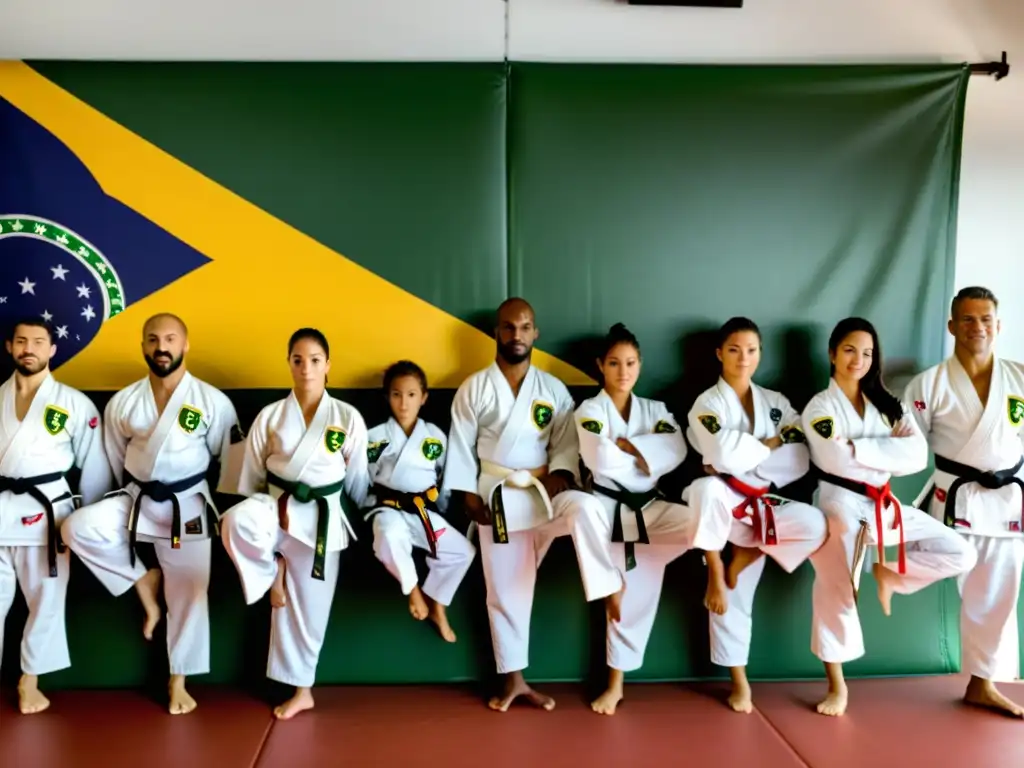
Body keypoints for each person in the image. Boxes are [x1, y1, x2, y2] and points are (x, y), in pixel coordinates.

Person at [62, 313, 243, 715]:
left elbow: (232, 465)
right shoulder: (126, 400)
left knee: (191, 592)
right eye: (153, 339)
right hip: (136, 498)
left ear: (186, 343)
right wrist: (97, 501)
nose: (162, 347)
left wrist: (229, 517)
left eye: (170, 338)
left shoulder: (212, 401)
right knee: (76, 528)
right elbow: (107, 460)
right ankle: (142, 579)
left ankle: (178, 678)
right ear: (143, 345)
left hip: (188, 504)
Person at [803, 316, 976, 717]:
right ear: (832, 353)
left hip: (884, 505)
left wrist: (860, 447)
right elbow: (833, 457)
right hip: (840, 506)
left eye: (866, 353)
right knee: (838, 592)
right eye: (849, 350)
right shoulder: (820, 407)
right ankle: (837, 686)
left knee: (959, 551)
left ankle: (892, 575)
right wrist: (881, 449)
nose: (858, 360)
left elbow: (916, 456)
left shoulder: (887, 404)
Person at [567, 322, 728, 716]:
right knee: (627, 601)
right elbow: (599, 458)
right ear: (600, 366)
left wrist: (627, 445)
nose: (624, 372)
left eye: (631, 363)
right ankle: (615, 685)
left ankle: (715, 567)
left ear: (640, 365)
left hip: (653, 508)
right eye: (615, 363)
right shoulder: (589, 410)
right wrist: (642, 455)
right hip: (609, 511)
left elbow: (675, 450)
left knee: (706, 504)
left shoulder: (655, 410)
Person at [220, 327, 369, 720]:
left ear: (328, 366)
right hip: (274, 505)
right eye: (298, 360)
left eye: (315, 361)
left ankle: (302, 690)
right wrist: (261, 510)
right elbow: (250, 477)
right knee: (234, 521)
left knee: (310, 610)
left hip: (322, 518)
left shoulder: (347, 417)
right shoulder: (271, 416)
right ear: (288, 363)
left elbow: (356, 481)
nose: (306, 369)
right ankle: (271, 572)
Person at [685, 317, 827, 714]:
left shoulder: (777, 402)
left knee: (815, 524)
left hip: (762, 505)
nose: (743, 358)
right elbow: (722, 456)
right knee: (706, 487)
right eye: (734, 349)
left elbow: (799, 459)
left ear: (760, 353)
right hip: (725, 504)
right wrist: (767, 447)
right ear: (719, 354)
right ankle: (716, 569)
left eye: (751, 350)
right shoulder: (707, 405)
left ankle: (751, 553)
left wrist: (746, 454)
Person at [444, 297, 581, 712]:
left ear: (535, 333)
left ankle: (607, 586)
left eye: (524, 327)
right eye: (508, 327)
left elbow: (566, 442)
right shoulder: (475, 388)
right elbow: (461, 445)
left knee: (584, 519)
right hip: (495, 497)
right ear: (496, 332)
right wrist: (468, 495)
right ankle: (514, 680)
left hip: (541, 494)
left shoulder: (552, 389)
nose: (516, 335)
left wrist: (561, 473)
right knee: (505, 590)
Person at [904, 287, 1024, 718]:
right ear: (952, 326)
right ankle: (889, 577)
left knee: (998, 593)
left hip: (1008, 501)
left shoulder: (1020, 378)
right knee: (924, 565)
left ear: (999, 324)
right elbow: (905, 448)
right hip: (954, 499)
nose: (978, 327)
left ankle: (983, 683)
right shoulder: (929, 384)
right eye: (968, 319)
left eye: (986, 318)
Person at [0, 317, 112, 714]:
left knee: (45, 601)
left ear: (52, 349)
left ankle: (29, 680)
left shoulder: (74, 404)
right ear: (10, 347)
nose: (28, 348)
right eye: (21, 341)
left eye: (37, 342)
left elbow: (95, 465)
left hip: (46, 513)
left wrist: (86, 525)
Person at [363, 360, 476, 642]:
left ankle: (437, 603)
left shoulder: (434, 436)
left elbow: (444, 476)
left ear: (423, 397)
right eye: (396, 394)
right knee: (389, 536)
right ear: (387, 396)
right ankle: (413, 590)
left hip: (422, 512)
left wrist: (443, 504)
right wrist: (366, 507)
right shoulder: (376, 437)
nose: (404, 403)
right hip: (386, 509)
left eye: (412, 395)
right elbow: (362, 477)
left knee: (462, 551)